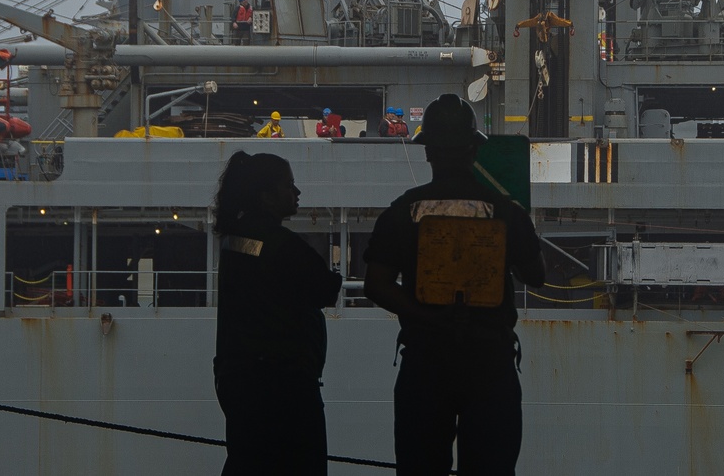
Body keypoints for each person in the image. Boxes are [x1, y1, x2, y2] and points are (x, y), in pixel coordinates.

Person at [363, 93, 545, 476]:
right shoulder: (507, 212)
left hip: (425, 363)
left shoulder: (402, 211)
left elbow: (377, 285)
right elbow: (537, 277)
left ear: (427, 151)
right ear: (472, 151)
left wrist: (429, 317)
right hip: (489, 364)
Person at [213, 151, 343, 476]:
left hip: (240, 378)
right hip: (284, 386)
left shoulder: (236, 239)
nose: (296, 193)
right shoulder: (280, 243)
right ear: (267, 197)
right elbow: (326, 289)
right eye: (288, 185)